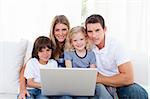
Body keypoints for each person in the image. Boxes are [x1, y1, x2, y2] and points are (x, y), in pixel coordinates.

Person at [85, 14, 148, 99]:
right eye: (90, 31)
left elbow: (128, 78)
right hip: (99, 86)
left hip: (119, 84)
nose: (94, 35)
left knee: (137, 92)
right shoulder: (85, 44)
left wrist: (99, 79)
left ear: (104, 29)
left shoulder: (116, 45)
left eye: (97, 30)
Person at [18, 15, 71, 99]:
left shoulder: (75, 44)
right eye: (57, 30)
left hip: (61, 87)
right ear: (53, 31)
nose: (61, 33)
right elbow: (24, 71)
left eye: (64, 29)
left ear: (69, 30)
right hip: (44, 88)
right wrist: (22, 89)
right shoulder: (47, 44)